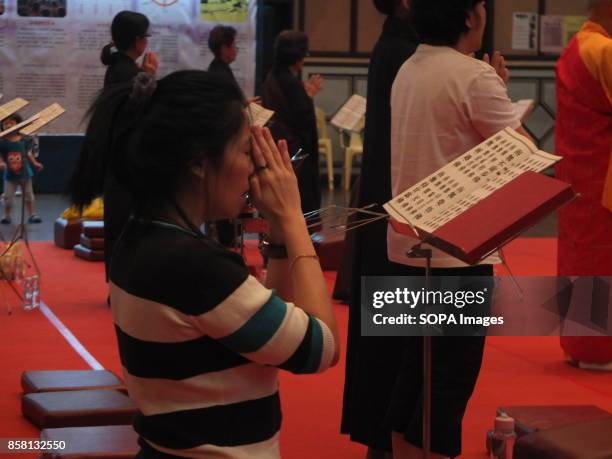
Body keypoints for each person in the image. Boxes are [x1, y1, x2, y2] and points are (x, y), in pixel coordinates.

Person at [69, 69, 339, 458]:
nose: (253, 167)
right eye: (246, 150)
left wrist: (279, 235)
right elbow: (321, 348)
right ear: (198, 162)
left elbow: (274, 328)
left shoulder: (142, 237)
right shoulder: (194, 267)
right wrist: (295, 219)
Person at [387, 1, 530, 457]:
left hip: (409, 245)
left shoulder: (411, 65)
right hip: (459, 248)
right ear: (470, 16)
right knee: (448, 384)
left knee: (413, 376)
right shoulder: (472, 75)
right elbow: (521, 155)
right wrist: (501, 95)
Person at [340, 1, 418, 458]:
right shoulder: (408, 53)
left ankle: (383, 436)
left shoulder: (392, 45)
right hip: (404, 203)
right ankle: (392, 435)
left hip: (387, 197)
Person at [556, 0, 612, 368]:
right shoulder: (602, 50)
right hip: (602, 175)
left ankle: (583, 344)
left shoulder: (580, 44)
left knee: (582, 251)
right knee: (600, 253)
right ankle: (600, 348)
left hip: (581, 173)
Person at [90, 10, 158, 280]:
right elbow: (139, 112)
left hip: (118, 160)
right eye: (146, 37)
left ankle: (120, 285)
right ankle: (124, 286)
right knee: (126, 226)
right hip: (127, 162)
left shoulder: (120, 66)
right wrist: (149, 77)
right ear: (138, 41)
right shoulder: (127, 71)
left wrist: (144, 74)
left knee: (120, 225)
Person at [262, 31, 323, 215]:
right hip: (296, 151)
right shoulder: (290, 81)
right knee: (303, 205)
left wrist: (304, 94)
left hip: (281, 145)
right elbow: (302, 118)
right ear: (296, 57)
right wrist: (309, 96)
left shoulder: (273, 75)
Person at [0, 114, 44, 225]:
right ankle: (6, 215)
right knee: (8, 197)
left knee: (29, 195)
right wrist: (1, 162)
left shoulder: (24, 139)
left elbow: (29, 153)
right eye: (5, 123)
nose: (8, 125)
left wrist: (35, 163)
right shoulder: (2, 140)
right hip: (10, 175)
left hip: (25, 173)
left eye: (11, 122)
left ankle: (32, 214)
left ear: (18, 124)